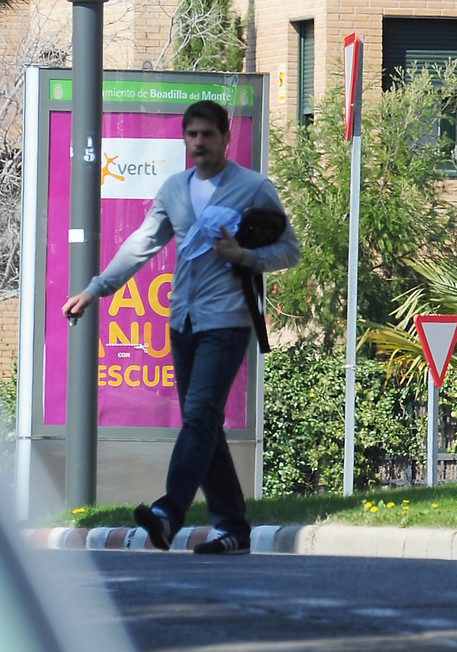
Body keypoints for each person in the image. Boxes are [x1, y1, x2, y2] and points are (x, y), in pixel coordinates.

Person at [61, 100, 301, 554]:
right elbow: (141, 244)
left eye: (208, 134)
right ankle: (233, 527)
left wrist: (245, 257)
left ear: (226, 138)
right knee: (204, 423)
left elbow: (290, 250)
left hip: (227, 320)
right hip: (183, 320)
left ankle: (169, 511)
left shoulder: (253, 188)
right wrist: (95, 290)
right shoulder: (174, 189)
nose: (198, 143)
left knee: (199, 417)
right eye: (191, 135)